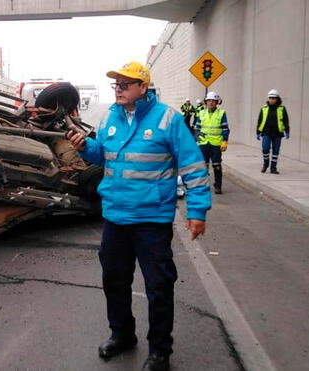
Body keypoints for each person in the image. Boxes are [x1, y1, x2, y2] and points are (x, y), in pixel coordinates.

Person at [67, 61, 211, 371]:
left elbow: (193, 166)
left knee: (159, 287)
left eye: (126, 83)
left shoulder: (167, 119)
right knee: (114, 281)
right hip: (116, 219)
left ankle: (160, 350)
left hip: (152, 222)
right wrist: (84, 146)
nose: (118, 87)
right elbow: (101, 154)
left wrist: (197, 211)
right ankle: (122, 334)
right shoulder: (111, 118)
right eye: (116, 83)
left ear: (143, 88)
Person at [194, 91, 230, 194]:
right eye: (209, 100)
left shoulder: (221, 113)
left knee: (217, 165)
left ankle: (218, 186)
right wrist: (197, 141)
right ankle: (203, 185)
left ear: (217, 102)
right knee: (203, 166)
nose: (211, 103)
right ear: (205, 102)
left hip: (215, 144)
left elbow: (225, 128)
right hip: (204, 144)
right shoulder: (201, 113)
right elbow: (197, 128)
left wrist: (225, 140)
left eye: (213, 101)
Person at [256, 89, 290, 174]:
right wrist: (258, 132)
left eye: (273, 98)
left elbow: (285, 120)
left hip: (277, 133)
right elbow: (260, 120)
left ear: (277, 99)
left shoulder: (282, 108)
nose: (271, 100)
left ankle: (273, 168)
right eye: (270, 98)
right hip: (266, 132)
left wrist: (287, 131)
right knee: (265, 148)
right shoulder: (264, 108)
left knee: (275, 151)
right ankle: (266, 164)